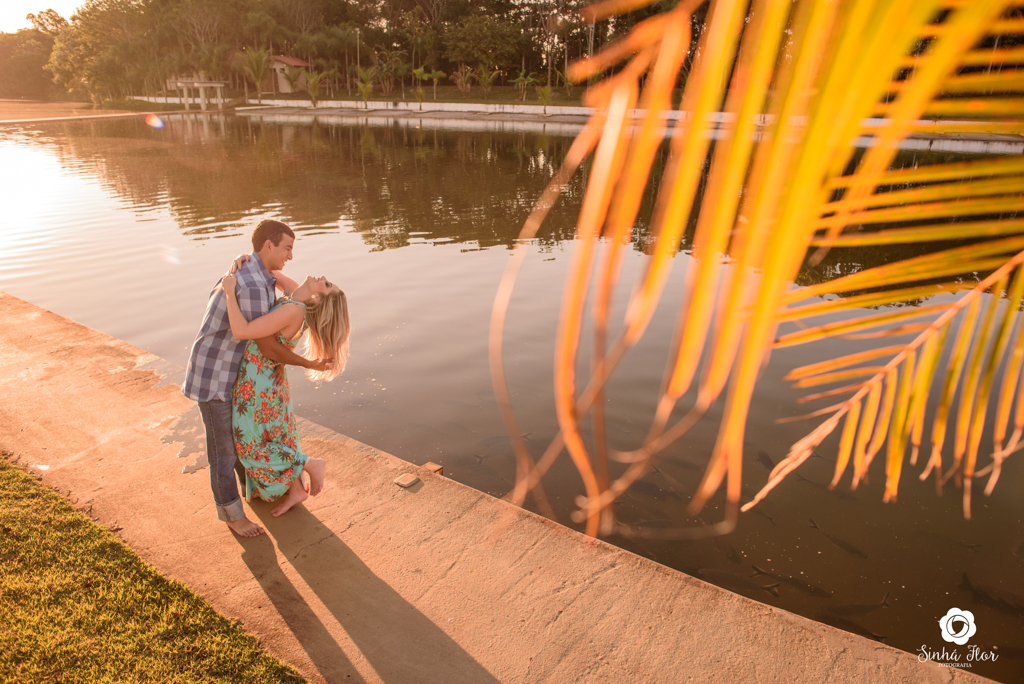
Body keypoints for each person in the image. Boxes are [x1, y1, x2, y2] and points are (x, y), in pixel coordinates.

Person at [182, 219, 332, 538]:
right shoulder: (251, 283)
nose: (291, 255)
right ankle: (234, 516)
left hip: (237, 374)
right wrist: (310, 364)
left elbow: (279, 294)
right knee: (223, 452)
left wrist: (243, 257)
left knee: (238, 442)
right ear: (268, 246)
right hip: (216, 375)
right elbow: (264, 343)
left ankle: (251, 492)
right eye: (287, 248)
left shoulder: (261, 275)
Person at [220, 269, 350, 517]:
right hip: (269, 380)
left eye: (327, 284)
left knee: (250, 446)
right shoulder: (296, 298)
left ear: (318, 300)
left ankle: (309, 463)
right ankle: (297, 490)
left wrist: (229, 293)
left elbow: (243, 331)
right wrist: (243, 260)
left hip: (257, 383)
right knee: (274, 438)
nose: (322, 276)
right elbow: (273, 272)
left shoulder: (294, 309)